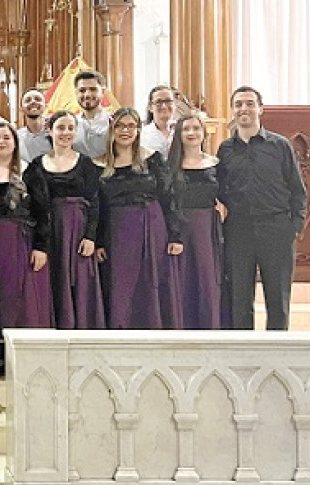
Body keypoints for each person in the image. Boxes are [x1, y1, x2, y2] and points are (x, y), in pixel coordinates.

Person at [217, 85, 306, 330]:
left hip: (276, 227)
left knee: (277, 298)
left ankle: (277, 359)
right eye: (238, 104)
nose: (244, 108)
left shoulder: (280, 146)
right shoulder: (225, 149)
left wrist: (295, 225)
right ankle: (241, 361)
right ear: (233, 111)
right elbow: (220, 187)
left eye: (249, 103)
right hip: (238, 227)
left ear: (260, 109)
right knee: (239, 297)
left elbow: (297, 188)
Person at [95, 107, 183, 329]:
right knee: (120, 285)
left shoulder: (152, 159)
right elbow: (97, 207)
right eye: (120, 126)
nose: (125, 131)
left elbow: (168, 197)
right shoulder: (98, 164)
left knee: (150, 283)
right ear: (112, 129)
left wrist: (175, 235)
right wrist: (98, 241)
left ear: (138, 130)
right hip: (116, 233)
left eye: (131, 126)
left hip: (151, 227)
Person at [34, 110, 105, 328]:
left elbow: (94, 201)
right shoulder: (37, 165)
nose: (66, 132)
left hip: (78, 232)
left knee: (81, 283)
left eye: (70, 128)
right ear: (50, 130)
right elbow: (35, 204)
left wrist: (91, 236)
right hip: (51, 230)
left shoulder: (86, 164)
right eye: (61, 127)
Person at [0, 123, 53, 332]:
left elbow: (43, 212)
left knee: (24, 301)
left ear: (15, 143)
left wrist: (41, 247)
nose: (1, 142)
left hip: (22, 244)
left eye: (6, 137)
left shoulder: (30, 172)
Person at [169, 113, 224, 328]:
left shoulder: (216, 163)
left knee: (207, 280)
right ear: (179, 134)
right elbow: (168, 201)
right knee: (183, 281)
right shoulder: (169, 166)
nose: (191, 133)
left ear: (204, 133)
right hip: (180, 227)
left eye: (196, 128)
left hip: (207, 227)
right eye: (186, 129)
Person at [72, 70, 111, 159]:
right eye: (82, 90)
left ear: (103, 92)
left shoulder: (114, 121)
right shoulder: (71, 123)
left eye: (93, 89)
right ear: (76, 93)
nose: (87, 95)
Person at [16, 88, 51, 163]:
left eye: (38, 99)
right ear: (21, 109)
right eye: (28, 100)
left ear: (46, 106)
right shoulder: (16, 137)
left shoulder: (54, 134)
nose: (33, 102)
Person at [142, 85, 177, 159]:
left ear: (174, 105)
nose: (164, 106)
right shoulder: (142, 135)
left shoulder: (184, 131)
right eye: (159, 102)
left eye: (168, 101)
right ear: (150, 107)